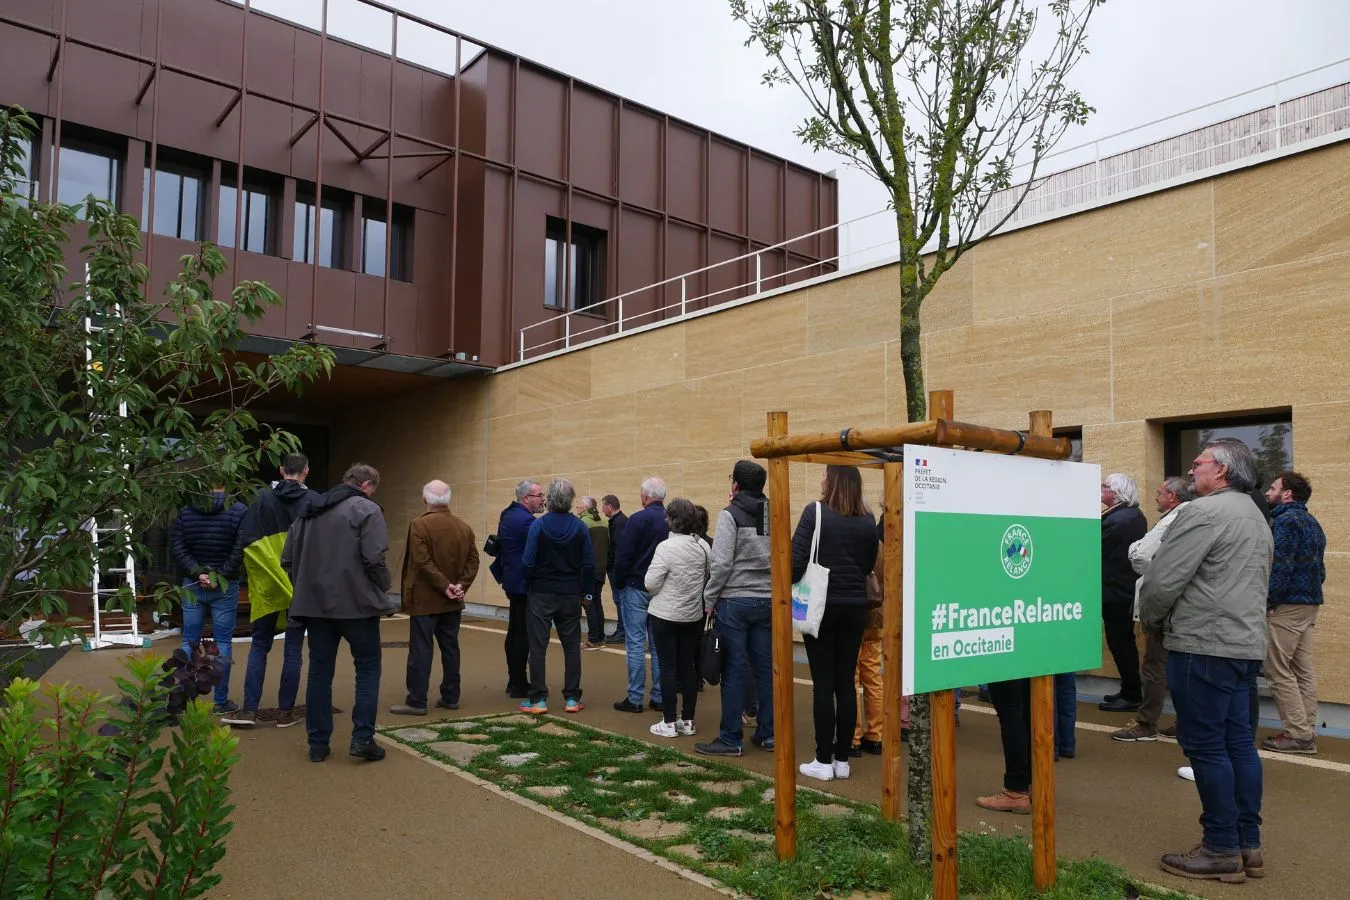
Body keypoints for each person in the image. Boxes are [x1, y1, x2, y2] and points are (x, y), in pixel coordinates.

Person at [1139, 438, 1271, 882]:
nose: (1191, 468)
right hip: (1242, 647)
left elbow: (1163, 579)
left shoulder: (1203, 513)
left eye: (1199, 463)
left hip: (1204, 646)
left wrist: (1150, 621)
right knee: (1239, 745)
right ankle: (1246, 844)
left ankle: (1219, 848)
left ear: (1223, 472)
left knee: (1206, 747)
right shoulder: (1256, 515)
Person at [282, 463, 396, 763]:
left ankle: (317, 744)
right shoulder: (367, 510)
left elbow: (288, 559)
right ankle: (362, 739)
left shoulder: (309, 510)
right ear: (367, 485)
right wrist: (385, 586)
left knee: (319, 673)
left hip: (316, 607)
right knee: (368, 670)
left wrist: (305, 589)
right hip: (358, 607)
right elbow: (374, 558)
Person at [793, 466, 878, 782]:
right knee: (846, 682)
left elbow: (796, 559)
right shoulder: (867, 520)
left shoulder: (814, 512)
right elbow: (869, 563)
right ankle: (842, 759)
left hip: (821, 607)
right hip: (855, 608)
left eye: (825, 475)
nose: (821, 480)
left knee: (823, 683)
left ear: (833, 481)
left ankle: (822, 760)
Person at [221, 454, 313, 729]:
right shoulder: (313, 502)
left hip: (269, 586)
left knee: (260, 646)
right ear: (306, 472)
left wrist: (228, 572)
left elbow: (246, 542)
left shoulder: (261, 499)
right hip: (299, 586)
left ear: (281, 470)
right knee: (294, 650)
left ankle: (249, 711)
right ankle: (286, 712)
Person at [696, 460, 774, 757]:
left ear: (735, 485)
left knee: (734, 670)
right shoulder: (769, 512)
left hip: (735, 602)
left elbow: (722, 563)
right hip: (766, 600)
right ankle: (767, 734)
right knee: (764, 669)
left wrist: (709, 598)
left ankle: (730, 738)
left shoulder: (730, 515)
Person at [1112, 476, 1195, 743]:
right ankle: (1186, 724)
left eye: (1159, 493)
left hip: (1164, 602)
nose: (1155, 497)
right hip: (1182, 603)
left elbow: (1140, 554)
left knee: (1154, 664)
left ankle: (1146, 724)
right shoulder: (1188, 515)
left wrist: (1153, 565)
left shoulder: (1174, 518)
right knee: (1179, 665)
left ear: (1172, 496)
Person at [389, 480, 479, 717]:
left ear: (425, 499)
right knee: (450, 648)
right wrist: (459, 586)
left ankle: (417, 700)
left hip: (425, 599)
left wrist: (445, 586)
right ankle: (451, 696)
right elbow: (473, 561)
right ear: (448, 499)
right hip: (452, 600)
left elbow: (422, 561)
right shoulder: (463, 527)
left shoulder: (420, 525)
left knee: (421, 650)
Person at [1261, 470, 1326, 755]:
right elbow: (1319, 569)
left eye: (1273, 487)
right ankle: (1306, 729)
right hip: (1309, 603)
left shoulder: (1285, 521)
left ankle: (1298, 735)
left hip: (1286, 606)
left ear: (1286, 493)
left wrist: (1269, 600)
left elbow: (1280, 566)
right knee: (1302, 669)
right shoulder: (1312, 522)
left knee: (1277, 669)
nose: (1267, 492)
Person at [171, 482, 247, 714]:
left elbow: (177, 546)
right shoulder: (238, 511)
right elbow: (240, 547)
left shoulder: (185, 512)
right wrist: (219, 574)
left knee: (189, 640)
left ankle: (185, 700)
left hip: (192, 583)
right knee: (222, 642)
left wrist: (197, 572)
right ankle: (220, 702)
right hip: (224, 586)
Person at [520, 478, 592, 714]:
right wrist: (586, 592)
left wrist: (530, 582)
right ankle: (572, 698)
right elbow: (589, 564)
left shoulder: (538, 526)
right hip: (570, 593)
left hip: (540, 592)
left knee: (537, 647)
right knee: (571, 647)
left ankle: (538, 698)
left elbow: (528, 561)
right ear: (570, 500)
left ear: (549, 499)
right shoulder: (580, 527)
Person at [644, 499, 710, 738]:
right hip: (692, 615)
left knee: (668, 668)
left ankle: (669, 722)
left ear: (672, 520)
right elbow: (708, 577)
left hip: (665, 615)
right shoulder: (703, 546)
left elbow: (650, 584)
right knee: (689, 668)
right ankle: (688, 720)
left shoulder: (665, 547)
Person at [611, 477, 670, 713]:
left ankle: (634, 698)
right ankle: (658, 696)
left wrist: (621, 583)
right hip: (661, 589)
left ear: (645, 496)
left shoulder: (637, 519)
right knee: (657, 646)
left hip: (636, 586)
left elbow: (623, 555)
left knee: (635, 643)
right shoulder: (670, 520)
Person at [488, 480, 544, 698]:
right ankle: (519, 683)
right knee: (522, 635)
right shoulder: (526, 521)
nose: (542, 499)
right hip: (523, 584)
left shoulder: (508, 514)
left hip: (512, 580)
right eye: (538, 495)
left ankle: (515, 680)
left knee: (515, 632)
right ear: (525, 498)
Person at [1099, 474, 1148, 713]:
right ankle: (1129, 689)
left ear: (1117, 493)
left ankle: (1131, 694)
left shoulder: (1116, 520)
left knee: (1120, 642)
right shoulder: (1134, 516)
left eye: (1105, 486)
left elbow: (1094, 549)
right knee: (1122, 642)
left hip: (1115, 590)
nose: (1101, 489)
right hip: (1124, 588)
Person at [575, 496, 611, 650]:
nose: (576, 507)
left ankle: (593, 639)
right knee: (597, 602)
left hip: (587, 571)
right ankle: (600, 637)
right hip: (601, 569)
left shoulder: (583, 523)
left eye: (579, 504)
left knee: (588, 604)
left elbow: (578, 549)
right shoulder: (603, 522)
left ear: (584, 507)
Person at [601, 495, 628, 644]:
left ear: (610, 506)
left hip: (616, 569)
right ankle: (621, 629)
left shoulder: (619, 522)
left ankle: (622, 631)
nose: (602, 509)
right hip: (616, 567)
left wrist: (609, 563)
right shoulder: (619, 521)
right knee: (619, 600)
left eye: (603, 506)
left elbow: (616, 548)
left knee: (619, 600)